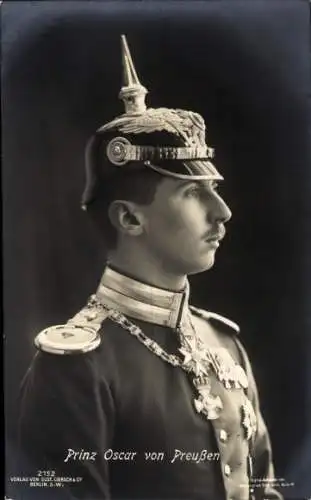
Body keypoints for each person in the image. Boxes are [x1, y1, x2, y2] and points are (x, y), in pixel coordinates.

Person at [18, 35, 283, 500]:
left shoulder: (225, 345)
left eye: (214, 188)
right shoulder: (76, 370)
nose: (222, 211)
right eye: (192, 193)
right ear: (129, 218)